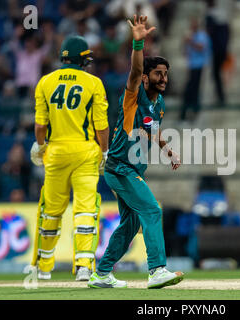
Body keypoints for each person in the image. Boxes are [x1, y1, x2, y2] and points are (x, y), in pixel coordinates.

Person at [88, 15, 184, 289]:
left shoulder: (159, 102)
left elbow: (152, 129)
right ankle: (157, 270)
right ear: (145, 78)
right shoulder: (134, 95)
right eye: (158, 74)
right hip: (120, 167)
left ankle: (101, 274)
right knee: (153, 210)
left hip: (132, 169)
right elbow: (134, 70)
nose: (163, 78)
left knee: (130, 225)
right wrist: (138, 44)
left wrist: (168, 151)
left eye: (165, 74)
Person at [29, 35, 109, 282]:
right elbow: (101, 126)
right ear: (82, 60)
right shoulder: (93, 82)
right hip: (85, 152)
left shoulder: (45, 82)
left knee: (51, 210)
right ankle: (84, 266)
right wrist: (104, 151)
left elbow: (41, 124)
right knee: (85, 210)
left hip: (56, 153)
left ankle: (43, 267)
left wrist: (40, 146)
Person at [180, 17, 211, 122]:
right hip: (192, 66)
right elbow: (185, 52)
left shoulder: (202, 36)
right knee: (190, 90)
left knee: (193, 90)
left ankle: (192, 112)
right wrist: (185, 43)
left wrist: (190, 41)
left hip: (199, 66)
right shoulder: (191, 36)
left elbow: (201, 47)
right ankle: (188, 112)